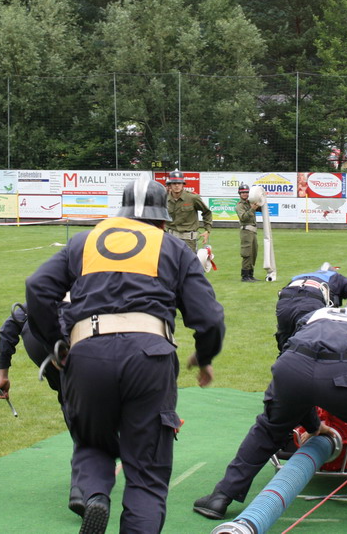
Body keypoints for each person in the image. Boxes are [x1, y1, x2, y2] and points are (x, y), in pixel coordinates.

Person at [25, 177, 226, 534]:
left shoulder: (83, 242)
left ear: (121, 213)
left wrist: (56, 342)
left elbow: (37, 287)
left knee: (92, 442)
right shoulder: (173, 247)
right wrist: (205, 356)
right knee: (147, 472)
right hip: (150, 355)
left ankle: (94, 495)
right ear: (162, 219)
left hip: (87, 353)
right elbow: (209, 318)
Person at [192, 296, 347, 528]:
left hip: (290, 368)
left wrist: (314, 426)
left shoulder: (313, 317)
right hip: (341, 374)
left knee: (269, 428)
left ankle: (220, 497)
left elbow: (299, 363)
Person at [0, 301, 85, 516]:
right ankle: (83, 484)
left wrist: (2, 375)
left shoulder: (40, 296)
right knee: (85, 404)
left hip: (35, 337)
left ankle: (87, 466)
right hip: (64, 337)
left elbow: (9, 328)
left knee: (71, 400)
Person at [274, 264, 347, 354]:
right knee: (312, 347)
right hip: (311, 302)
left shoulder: (299, 277)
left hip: (284, 303)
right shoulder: (337, 277)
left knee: (285, 346)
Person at [165, 169, 212, 252]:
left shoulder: (192, 198)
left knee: (189, 260)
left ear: (183, 185)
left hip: (189, 240)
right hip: (170, 239)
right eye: (174, 183)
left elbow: (207, 212)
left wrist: (207, 230)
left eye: (179, 183)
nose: (177, 185)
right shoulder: (164, 199)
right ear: (170, 185)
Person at [235, 183, 260, 281]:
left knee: (253, 253)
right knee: (247, 253)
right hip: (246, 231)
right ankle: (245, 276)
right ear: (239, 194)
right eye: (243, 192)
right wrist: (252, 209)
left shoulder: (250, 203)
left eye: (246, 192)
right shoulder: (239, 206)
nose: (245, 194)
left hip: (253, 231)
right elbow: (243, 218)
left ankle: (250, 274)